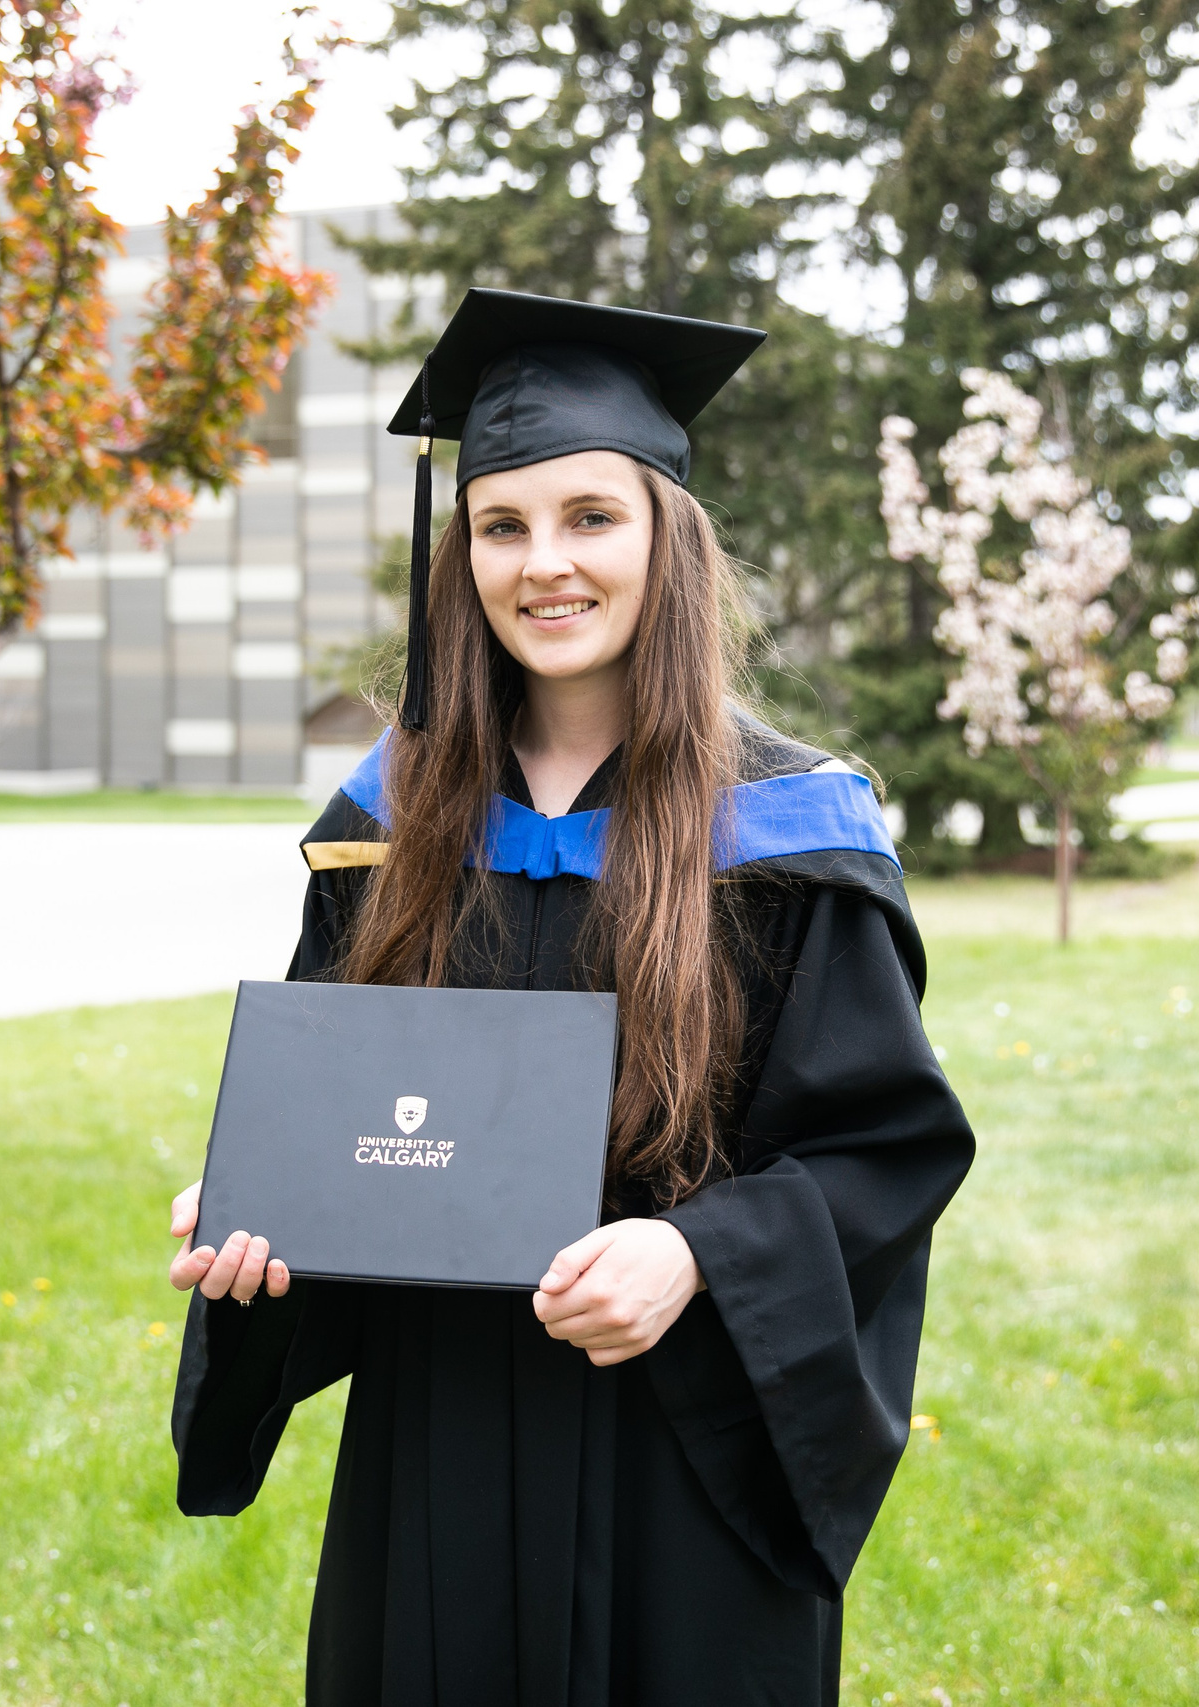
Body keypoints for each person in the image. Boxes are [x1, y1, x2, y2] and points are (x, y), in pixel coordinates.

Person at [164, 288, 976, 1707]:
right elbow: (342, 1109)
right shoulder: (392, 817)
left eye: (592, 516)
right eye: (503, 523)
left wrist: (697, 1256)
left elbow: (884, 1152)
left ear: (671, 536)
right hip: (441, 1445)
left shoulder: (787, 830)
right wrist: (264, 1207)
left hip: (685, 1460)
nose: (547, 564)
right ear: (460, 548)